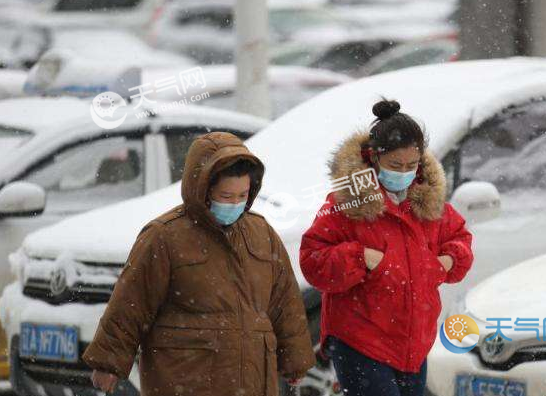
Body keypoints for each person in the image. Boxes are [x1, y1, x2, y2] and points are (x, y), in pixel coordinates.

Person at [83, 132, 315, 396]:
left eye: (243, 195)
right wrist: (108, 362)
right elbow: (131, 302)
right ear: (202, 189)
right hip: (187, 378)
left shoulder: (262, 234)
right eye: (226, 196)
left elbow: (285, 302)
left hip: (252, 381)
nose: (236, 204)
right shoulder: (166, 235)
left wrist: (296, 360)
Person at [299, 99, 474, 396]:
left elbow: (460, 240)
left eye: (411, 165)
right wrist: (359, 258)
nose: (403, 172)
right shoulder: (348, 202)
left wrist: (447, 260)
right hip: (360, 340)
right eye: (395, 165)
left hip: (414, 343)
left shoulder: (428, 203)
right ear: (374, 158)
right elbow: (313, 259)